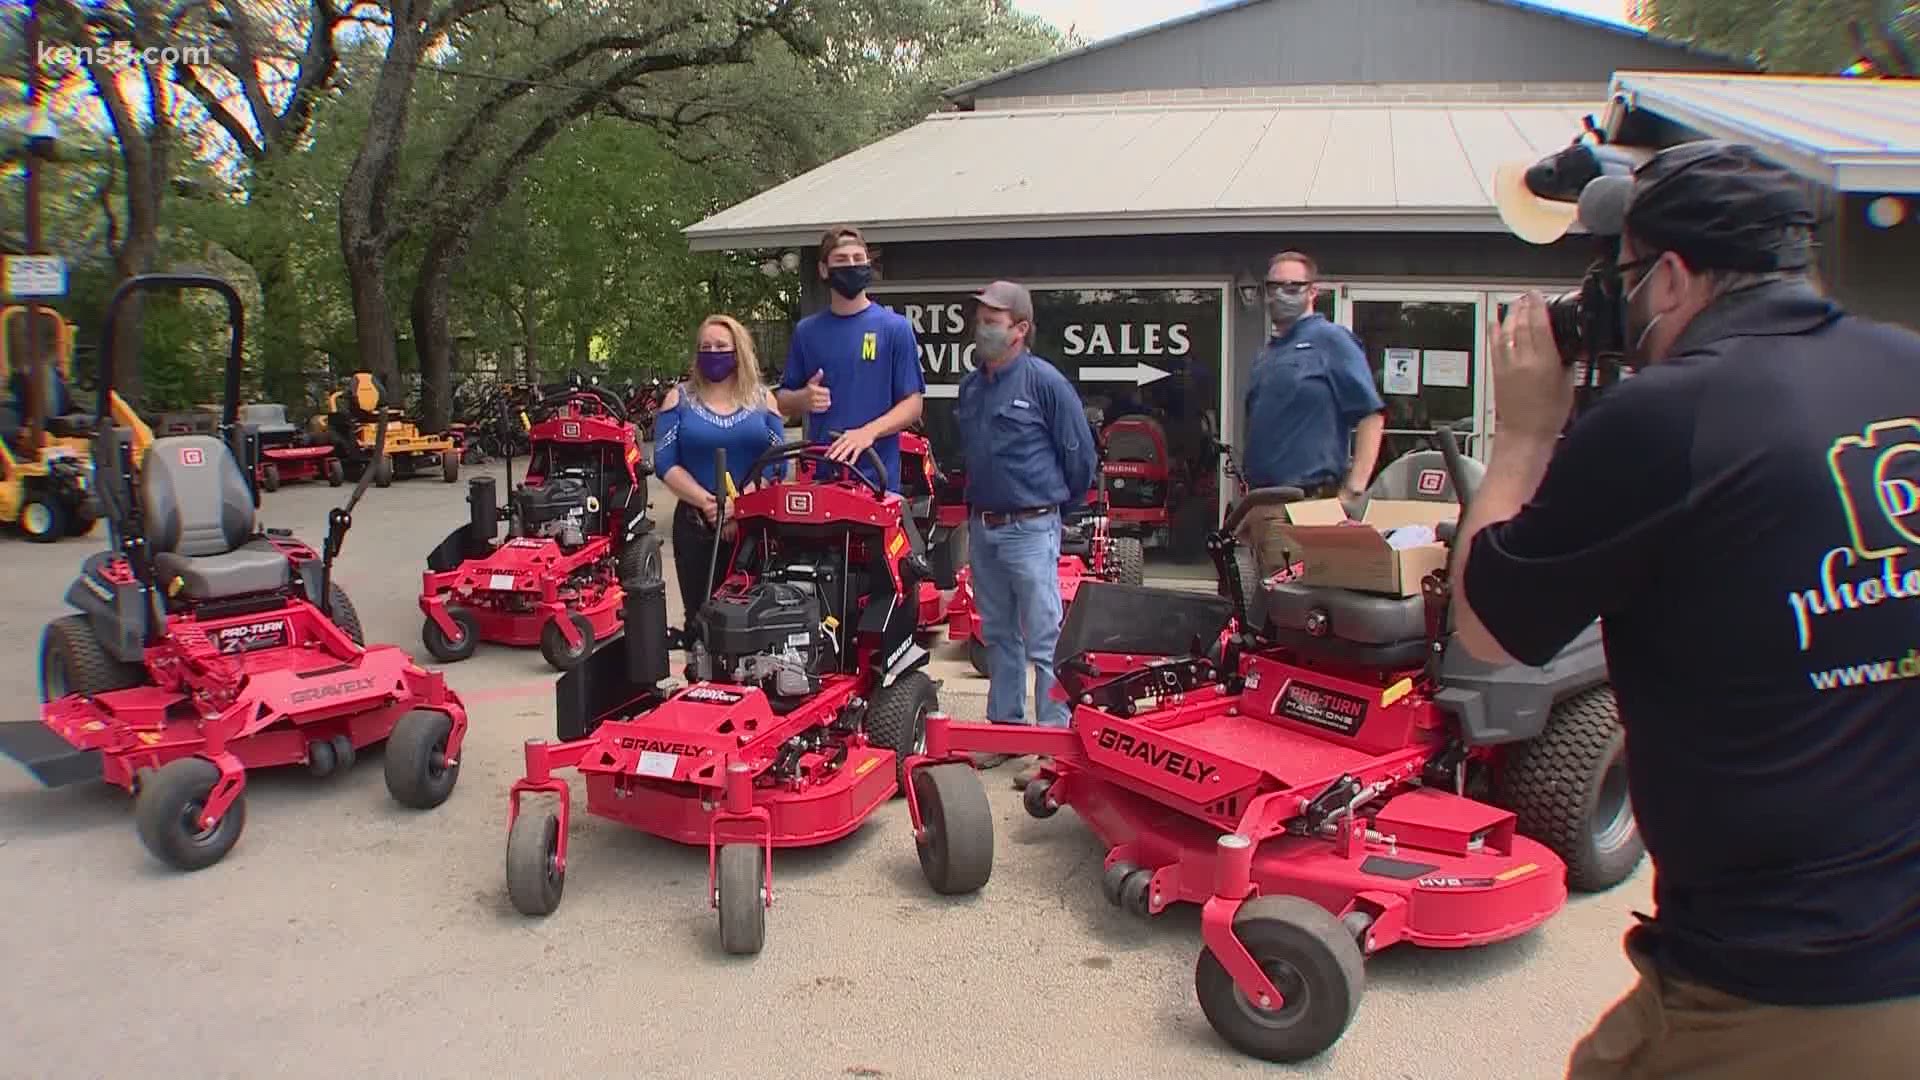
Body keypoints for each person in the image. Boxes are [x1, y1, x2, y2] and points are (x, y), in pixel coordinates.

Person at [1450, 140, 1920, 1079]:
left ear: (1666, 277)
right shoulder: (1905, 367)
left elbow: (1488, 629)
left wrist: (1526, 432)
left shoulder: (1666, 415)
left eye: (1613, 274)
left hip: (1782, 984)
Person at [953, 281, 1098, 788]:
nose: (982, 327)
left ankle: (1053, 746)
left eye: (994, 319)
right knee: (997, 634)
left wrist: (1057, 512)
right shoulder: (973, 387)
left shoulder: (1045, 383)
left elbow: (1080, 456)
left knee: (1044, 639)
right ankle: (1007, 731)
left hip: (1031, 527)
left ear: (1020, 329)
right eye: (980, 318)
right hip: (984, 526)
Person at [651, 315, 787, 623]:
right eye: (705, 347)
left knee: (755, 618)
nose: (713, 352)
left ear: (738, 351)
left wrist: (742, 503)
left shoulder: (764, 400)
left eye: (721, 346)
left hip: (756, 527)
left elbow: (778, 461)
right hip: (696, 525)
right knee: (701, 620)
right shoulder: (678, 399)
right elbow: (664, 462)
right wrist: (708, 503)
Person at [776, 225, 926, 491]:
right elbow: (783, 402)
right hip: (823, 477)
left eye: (858, 259)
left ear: (869, 265)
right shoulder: (807, 331)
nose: (852, 265)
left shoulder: (894, 328)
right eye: (842, 260)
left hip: (879, 482)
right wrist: (804, 398)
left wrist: (867, 433)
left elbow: (913, 405)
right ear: (824, 270)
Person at [1242, 251, 1385, 504]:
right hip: (1262, 500)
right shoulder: (1268, 353)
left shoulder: (1331, 340)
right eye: (1273, 286)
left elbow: (1370, 416)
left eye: (1293, 286)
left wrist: (1353, 490)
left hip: (1309, 498)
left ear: (1312, 291)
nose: (1281, 293)